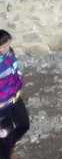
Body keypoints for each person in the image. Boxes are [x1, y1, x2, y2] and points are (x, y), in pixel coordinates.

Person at [0, 30, 30, 159]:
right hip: (1, 106)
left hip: (15, 97)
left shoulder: (9, 52)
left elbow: (15, 69)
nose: (8, 47)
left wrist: (19, 85)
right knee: (6, 134)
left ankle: (6, 147)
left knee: (24, 125)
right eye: (4, 45)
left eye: (8, 44)